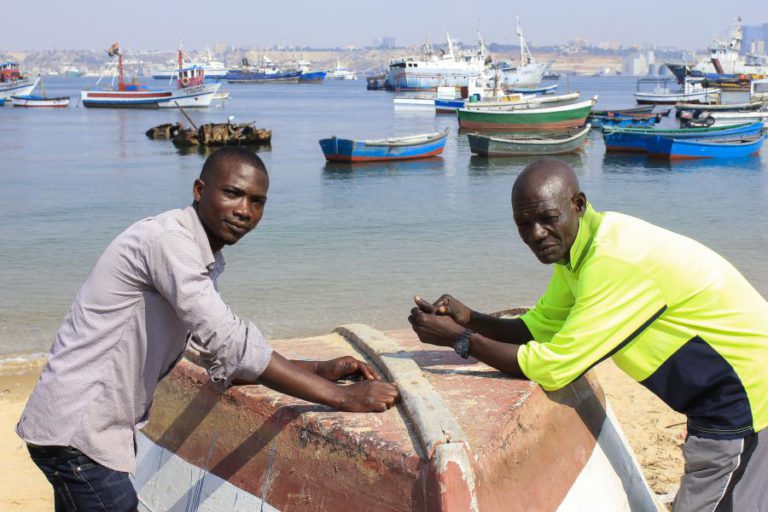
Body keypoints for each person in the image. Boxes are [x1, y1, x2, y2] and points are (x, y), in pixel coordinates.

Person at [17, 147, 399, 511]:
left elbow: (205, 352)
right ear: (199, 191)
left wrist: (316, 369)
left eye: (257, 201)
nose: (244, 211)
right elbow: (229, 341)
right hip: (79, 431)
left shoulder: (198, 253)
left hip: (86, 429)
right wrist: (343, 398)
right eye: (232, 194)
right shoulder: (170, 242)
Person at [408, 158, 767, 511]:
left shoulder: (613, 261)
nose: (536, 234)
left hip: (743, 402)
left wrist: (461, 340)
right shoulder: (582, 249)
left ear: (577, 205)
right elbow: (536, 329)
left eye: (548, 219)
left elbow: (553, 366)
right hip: (723, 397)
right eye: (524, 224)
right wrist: (469, 317)